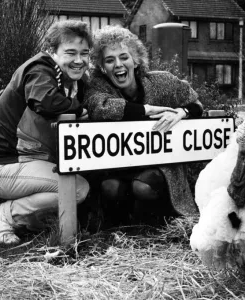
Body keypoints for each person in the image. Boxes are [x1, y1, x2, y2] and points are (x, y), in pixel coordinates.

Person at [0, 20, 93, 244]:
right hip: (0, 165)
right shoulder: (40, 68)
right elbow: (45, 101)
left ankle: (30, 223)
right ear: (52, 51)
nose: (79, 60)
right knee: (77, 188)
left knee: (72, 195)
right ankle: (4, 214)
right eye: (70, 52)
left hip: (23, 162)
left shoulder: (71, 81)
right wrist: (79, 109)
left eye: (84, 53)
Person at [84, 26, 203, 225]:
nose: (118, 65)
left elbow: (196, 103)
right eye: (110, 60)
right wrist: (146, 110)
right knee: (110, 187)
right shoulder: (99, 86)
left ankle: (160, 221)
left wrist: (183, 112)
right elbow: (99, 106)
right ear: (102, 67)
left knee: (144, 186)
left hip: (159, 168)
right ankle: (123, 225)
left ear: (136, 60)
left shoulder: (161, 81)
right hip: (119, 167)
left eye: (124, 57)